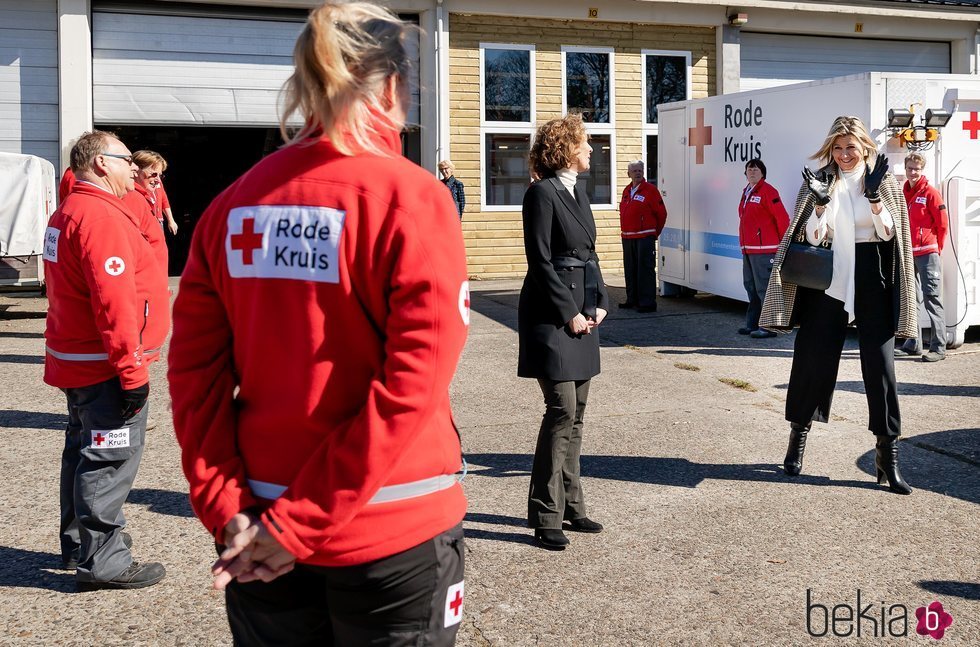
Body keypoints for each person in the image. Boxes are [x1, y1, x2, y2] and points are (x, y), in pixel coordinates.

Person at [167, 4, 468, 644]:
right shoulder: (412, 200)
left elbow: (194, 379)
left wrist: (230, 511)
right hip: (392, 529)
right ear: (393, 86)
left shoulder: (232, 207)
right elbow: (411, 386)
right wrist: (296, 526)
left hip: (258, 522)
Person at [760, 116, 917, 495]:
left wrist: (876, 198)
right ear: (830, 148)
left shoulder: (882, 181)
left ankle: (887, 457)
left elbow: (891, 235)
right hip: (826, 282)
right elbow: (810, 236)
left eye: (851, 147)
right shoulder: (819, 181)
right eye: (838, 147)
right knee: (812, 361)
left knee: (881, 369)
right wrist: (819, 205)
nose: (845, 154)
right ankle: (797, 439)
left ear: (864, 146)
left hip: (872, 280)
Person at [43, 130, 170, 589]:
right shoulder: (99, 217)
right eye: (124, 161)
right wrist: (132, 371)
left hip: (80, 362)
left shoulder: (70, 211)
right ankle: (104, 561)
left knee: (83, 451)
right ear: (100, 163)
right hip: (105, 367)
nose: (133, 170)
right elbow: (113, 303)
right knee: (109, 457)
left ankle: (79, 543)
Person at [518, 113, 609, 550]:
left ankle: (573, 507)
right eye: (585, 143)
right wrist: (570, 312)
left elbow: (588, 255)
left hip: (581, 317)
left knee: (578, 415)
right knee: (560, 412)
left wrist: (601, 301)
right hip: (551, 318)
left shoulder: (579, 192)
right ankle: (545, 513)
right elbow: (540, 262)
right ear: (567, 148)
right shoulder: (541, 193)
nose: (591, 149)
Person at [896, 152, 948, 362]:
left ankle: (939, 347)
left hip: (928, 253)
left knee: (932, 298)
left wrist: (937, 249)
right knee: (912, 300)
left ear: (922, 169)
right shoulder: (904, 192)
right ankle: (913, 343)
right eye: (910, 168)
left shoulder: (931, 193)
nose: (913, 172)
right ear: (906, 169)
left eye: (917, 169)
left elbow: (943, 224)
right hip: (909, 255)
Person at [737, 158, 790, 338]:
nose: (752, 172)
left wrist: (784, 245)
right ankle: (753, 324)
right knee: (751, 287)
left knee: (765, 288)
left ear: (763, 173)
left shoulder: (769, 191)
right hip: (748, 249)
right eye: (749, 170)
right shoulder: (747, 192)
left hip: (765, 249)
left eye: (756, 170)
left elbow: (782, 218)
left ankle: (769, 327)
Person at [618, 160, 666, 313]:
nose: (638, 173)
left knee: (645, 270)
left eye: (640, 170)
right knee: (630, 270)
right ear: (629, 174)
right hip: (628, 237)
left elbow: (662, 214)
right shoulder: (626, 191)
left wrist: (653, 233)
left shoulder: (650, 190)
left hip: (644, 237)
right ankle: (632, 300)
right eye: (634, 171)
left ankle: (647, 303)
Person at [121, 150, 169, 274]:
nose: (158, 180)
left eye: (160, 175)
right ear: (136, 171)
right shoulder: (132, 198)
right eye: (153, 174)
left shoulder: (142, 196)